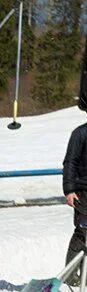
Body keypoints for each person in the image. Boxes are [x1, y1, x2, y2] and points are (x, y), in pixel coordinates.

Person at [63, 113, 87, 265]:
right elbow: (70, 162)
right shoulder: (80, 133)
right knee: (82, 231)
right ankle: (72, 274)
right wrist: (69, 189)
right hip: (83, 192)